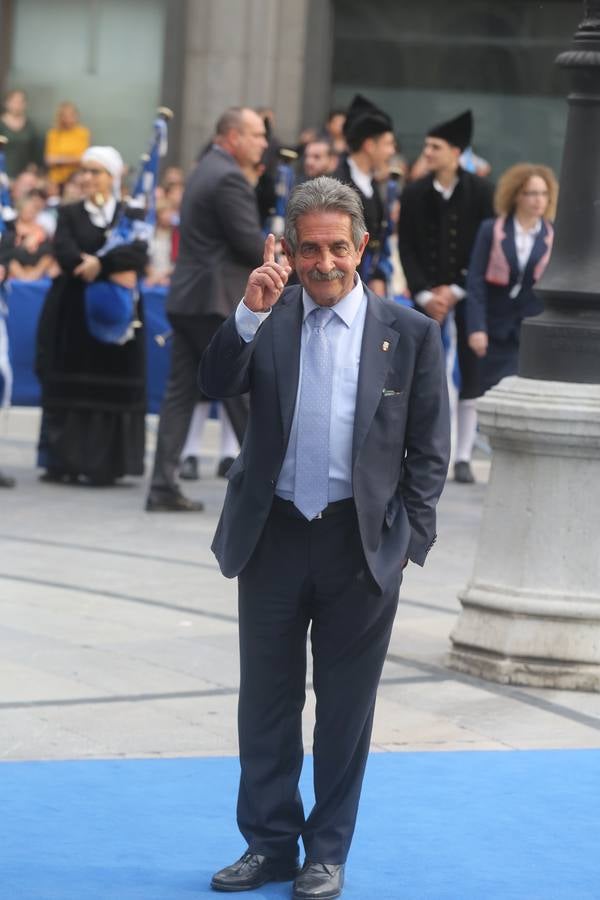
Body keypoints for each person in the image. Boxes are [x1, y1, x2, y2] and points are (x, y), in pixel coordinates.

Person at [201, 177, 450, 899]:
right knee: (266, 703)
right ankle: (269, 844)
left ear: (363, 246)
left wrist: (407, 539)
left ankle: (326, 853)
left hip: (359, 546)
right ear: (290, 250)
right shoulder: (269, 317)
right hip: (272, 536)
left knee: (345, 710)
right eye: (309, 248)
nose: (324, 262)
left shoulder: (409, 334)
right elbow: (216, 379)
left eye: (338, 246)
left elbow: (428, 451)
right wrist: (248, 312)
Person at [145, 106, 267, 512]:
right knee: (241, 393)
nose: (264, 143)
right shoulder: (229, 177)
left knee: (180, 395)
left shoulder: (204, 168)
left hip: (189, 298)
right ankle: (267, 488)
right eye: (256, 135)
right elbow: (249, 243)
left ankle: (163, 484)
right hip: (214, 301)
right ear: (232, 137)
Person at [35, 146, 147, 485]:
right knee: (73, 381)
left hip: (116, 314)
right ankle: (65, 460)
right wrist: (110, 267)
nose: (86, 178)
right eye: (84, 171)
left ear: (112, 178)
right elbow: (66, 254)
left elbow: (138, 254)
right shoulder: (69, 213)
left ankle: (106, 464)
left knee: (110, 383)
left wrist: (99, 263)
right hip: (73, 313)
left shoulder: (129, 214)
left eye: (94, 171)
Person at [398, 110, 494, 484]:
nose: (428, 152)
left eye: (435, 147)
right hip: (425, 298)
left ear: (455, 151)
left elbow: (482, 249)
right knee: (424, 371)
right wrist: (424, 292)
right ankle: (426, 449)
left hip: (467, 294)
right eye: (426, 146)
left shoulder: (482, 191)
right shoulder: (414, 191)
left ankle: (465, 455)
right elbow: (407, 246)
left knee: (471, 371)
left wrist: (455, 290)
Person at [466, 163, 557, 393]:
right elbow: (475, 281)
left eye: (544, 194)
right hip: (496, 331)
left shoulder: (553, 235)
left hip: (533, 331)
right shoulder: (491, 230)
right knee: (491, 392)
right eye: (532, 193)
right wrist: (477, 327)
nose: (539, 200)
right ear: (516, 195)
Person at [332, 94, 396, 296]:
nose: (392, 151)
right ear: (369, 145)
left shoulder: (374, 183)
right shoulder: (336, 184)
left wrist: (379, 275)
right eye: (388, 144)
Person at [44, 101, 90, 190]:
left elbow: (83, 158)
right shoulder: (53, 134)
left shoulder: (83, 133)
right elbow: (49, 159)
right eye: (65, 115)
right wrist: (73, 159)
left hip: (77, 179)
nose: (69, 118)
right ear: (60, 117)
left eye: (72, 115)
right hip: (56, 180)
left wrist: (59, 159)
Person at [0, 89, 39, 178]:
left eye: (21, 102)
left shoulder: (30, 126)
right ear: (6, 103)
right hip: (3, 174)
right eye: (14, 102)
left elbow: (35, 152)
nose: (17, 105)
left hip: (24, 175)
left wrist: (33, 167)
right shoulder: (1, 124)